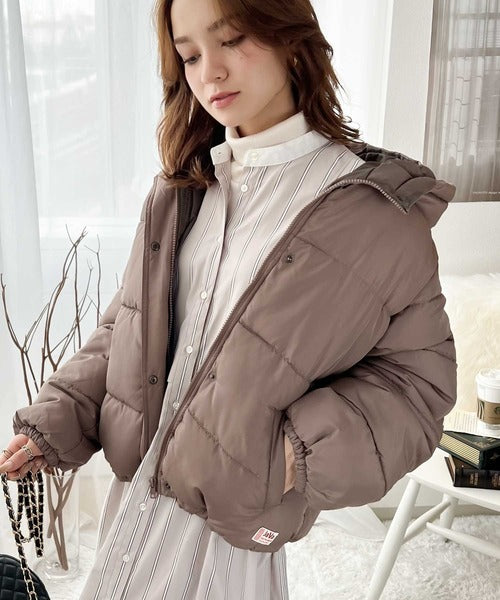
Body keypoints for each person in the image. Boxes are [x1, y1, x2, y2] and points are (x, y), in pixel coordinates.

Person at [0, 0, 458, 597]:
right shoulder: (182, 186)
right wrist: (57, 417)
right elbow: (130, 325)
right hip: (133, 508)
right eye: (189, 55)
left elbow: (418, 386)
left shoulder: (376, 214)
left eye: (232, 39)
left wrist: (293, 455)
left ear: (289, 35)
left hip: (229, 537)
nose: (209, 72)